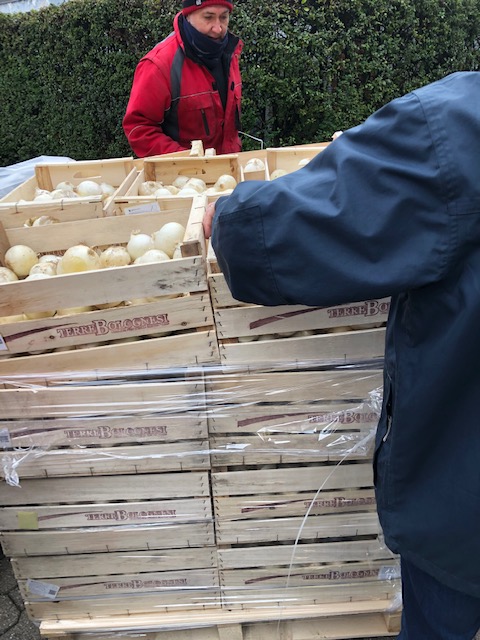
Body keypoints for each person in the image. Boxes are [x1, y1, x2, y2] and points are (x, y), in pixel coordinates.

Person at [203, 71, 480, 639]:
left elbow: (321, 219)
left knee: (441, 616)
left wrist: (229, 221)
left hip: (465, 495)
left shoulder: (456, 125)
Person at [123, 0, 243, 158]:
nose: (218, 28)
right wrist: (186, 160)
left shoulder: (231, 52)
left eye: (223, 17)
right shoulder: (158, 65)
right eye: (208, 17)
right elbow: (139, 128)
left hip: (229, 167)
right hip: (181, 172)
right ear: (188, 16)